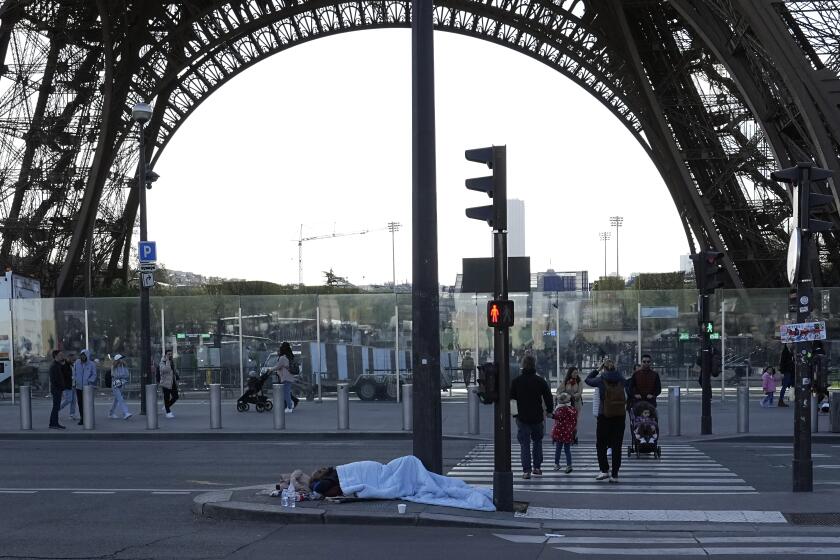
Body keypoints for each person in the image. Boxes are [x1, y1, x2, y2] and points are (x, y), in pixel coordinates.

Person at [509, 355, 553, 480]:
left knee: (525, 444)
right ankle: (537, 467)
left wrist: (515, 414)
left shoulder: (516, 381)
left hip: (522, 417)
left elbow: (512, 399)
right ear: (534, 365)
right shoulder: (540, 381)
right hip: (537, 416)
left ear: (522, 365)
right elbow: (548, 397)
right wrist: (549, 410)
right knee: (537, 442)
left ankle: (526, 470)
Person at [585, 359, 627, 483]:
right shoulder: (621, 379)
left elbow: (588, 380)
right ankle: (615, 474)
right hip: (620, 415)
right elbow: (630, 388)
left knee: (601, 444)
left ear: (604, 368)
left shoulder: (601, 379)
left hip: (604, 415)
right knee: (617, 445)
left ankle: (604, 470)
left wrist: (597, 370)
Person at [551, 392, 577, 473]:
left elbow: (557, 417)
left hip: (559, 432)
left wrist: (551, 415)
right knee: (567, 450)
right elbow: (574, 421)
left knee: (558, 449)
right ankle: (569, 465)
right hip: (568, 432)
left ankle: (556, 464)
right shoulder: (572, 410)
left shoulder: (560, 409)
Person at [558, 367, 583, 443]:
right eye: (574, 373)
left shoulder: (579, 381)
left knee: (575, 420)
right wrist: (564, 396)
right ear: (570, 373)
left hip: (576, 403)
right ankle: (567, 436)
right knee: (568, 421)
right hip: (567, 404)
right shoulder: (566, 381)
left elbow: (580, 392)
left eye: (577, 373)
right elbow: (559, 391)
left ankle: (574, 436)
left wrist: (573, 396)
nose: (576, 374)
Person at [73, 349, 97, 426]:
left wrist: (89, 381)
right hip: (79, 387)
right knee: (80, 403)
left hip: (88, 387)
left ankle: (88, 418)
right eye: (81, 356)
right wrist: (75, 381)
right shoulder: (77, 363)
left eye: (84, 356)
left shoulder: (91, 364)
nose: (82, 357)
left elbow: (94, 374)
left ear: (87, 356)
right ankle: (82, 418)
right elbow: (74, 372)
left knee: (87, 404)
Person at [108, 354, 132, 420]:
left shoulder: (124, 366)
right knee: (120, 399)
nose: (122, 359)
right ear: (117, 360)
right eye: (121, 358)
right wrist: (122, 376)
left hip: (122, 384)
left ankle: (111, 413)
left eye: (122, 358)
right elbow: (114, 375)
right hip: (115, 385)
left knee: (116, 400)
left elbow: (127, 374)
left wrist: (121, 376)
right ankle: (126, 413)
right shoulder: (113, 366)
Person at [158, 349, 179, 418]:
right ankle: (168, 412)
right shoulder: (162, 362)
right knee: (166, 398)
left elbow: (173, 371)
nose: (170, 355)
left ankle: (167, 406)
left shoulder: (172, 361)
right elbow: (165, 370)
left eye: (171, 354)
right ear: (165, 355)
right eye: (168, 354)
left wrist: (176, 375)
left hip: (172, 382)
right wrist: (167, 361)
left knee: (176, 396)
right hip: (165, 383)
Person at [48, 350, 66, 429]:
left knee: (56, 406)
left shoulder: (58, 365)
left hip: (58, 389)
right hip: (56, 389)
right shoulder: (54, 366)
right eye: (60, 355)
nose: (62, 356)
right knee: (56, 407)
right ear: (56, 356)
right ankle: (54, 423)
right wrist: (60, 388)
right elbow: (54, 380)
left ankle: (53, 423)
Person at [277, 342, 297, 413]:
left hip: (285, 377)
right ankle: (291, 404)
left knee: (286, 393)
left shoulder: (283, 357)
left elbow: (278, 366)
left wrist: (270, 369)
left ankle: (289, 407)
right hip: (290, 377)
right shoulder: (290, 356)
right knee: (287, 392)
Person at [58, 351, 76, 420]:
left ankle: (72, 414)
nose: (73, 360)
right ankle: (57, 409)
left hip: (73, 384)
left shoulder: (72, 365)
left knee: (74, 400)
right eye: (71, 358)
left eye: (73, 358)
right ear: (68, 358)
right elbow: (63, 375)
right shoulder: (65, 365)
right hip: (67, 384)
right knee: (68, 399)